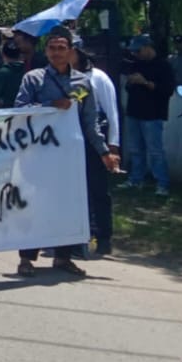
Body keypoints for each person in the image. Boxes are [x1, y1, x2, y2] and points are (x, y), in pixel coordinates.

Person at [14, 26, 118, 277]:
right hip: (40, 152)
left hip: (71, 154)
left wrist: (105, 152)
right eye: (52, 48)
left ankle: (63, 256)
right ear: (46, 51)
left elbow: (89, 121)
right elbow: (20, 108)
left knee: (69, 204)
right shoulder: (34, 79)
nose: (57, 53)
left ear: (71, 52)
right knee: (36, 204)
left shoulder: (83, 83)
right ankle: (27, 258)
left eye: (62, 48)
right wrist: (50, 105)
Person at [72, 39, 120, 256]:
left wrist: (113, 145)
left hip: (95, 141)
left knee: (98, 189)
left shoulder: (98, 78)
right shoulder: (63, 79)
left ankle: (103, 236)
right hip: (72, 141)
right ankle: (78, 237)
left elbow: (111, 113)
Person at [121, 35, 175, 196]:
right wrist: (130, 82)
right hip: (134, 112)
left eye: (138, 51)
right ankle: (136, 179)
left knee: (155, 151)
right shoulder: (135, 65)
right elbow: (128, 89)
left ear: (147, 48)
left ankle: (162, 183)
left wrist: (145, 82)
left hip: (153, 114)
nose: (135, 55)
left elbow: (167, 90)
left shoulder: (163, 65)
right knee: (136, 149)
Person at [0, 40, 26, 109]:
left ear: (3, 54)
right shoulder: (28, 72)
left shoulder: (2, 73)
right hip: (24, 115)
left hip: (3, 116)